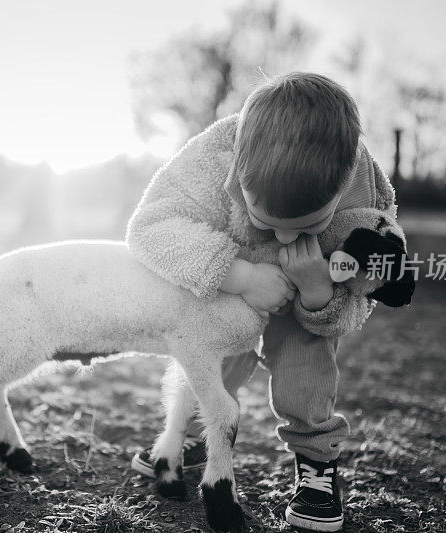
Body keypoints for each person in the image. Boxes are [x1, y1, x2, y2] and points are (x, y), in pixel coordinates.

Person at [125, 72, 399, 532]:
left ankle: (316, 462)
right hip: (230, 279)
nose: (287, 236)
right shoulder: (212, 155)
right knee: (215, 355)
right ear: (239, 168)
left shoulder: (364, 185)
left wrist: (318, 294)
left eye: (308, 223)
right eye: (265, 217)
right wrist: (240, 275)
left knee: (306, 361)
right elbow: (151, 227)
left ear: (342, 182)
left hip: (311, 288)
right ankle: (190, 435)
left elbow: (376, 273)